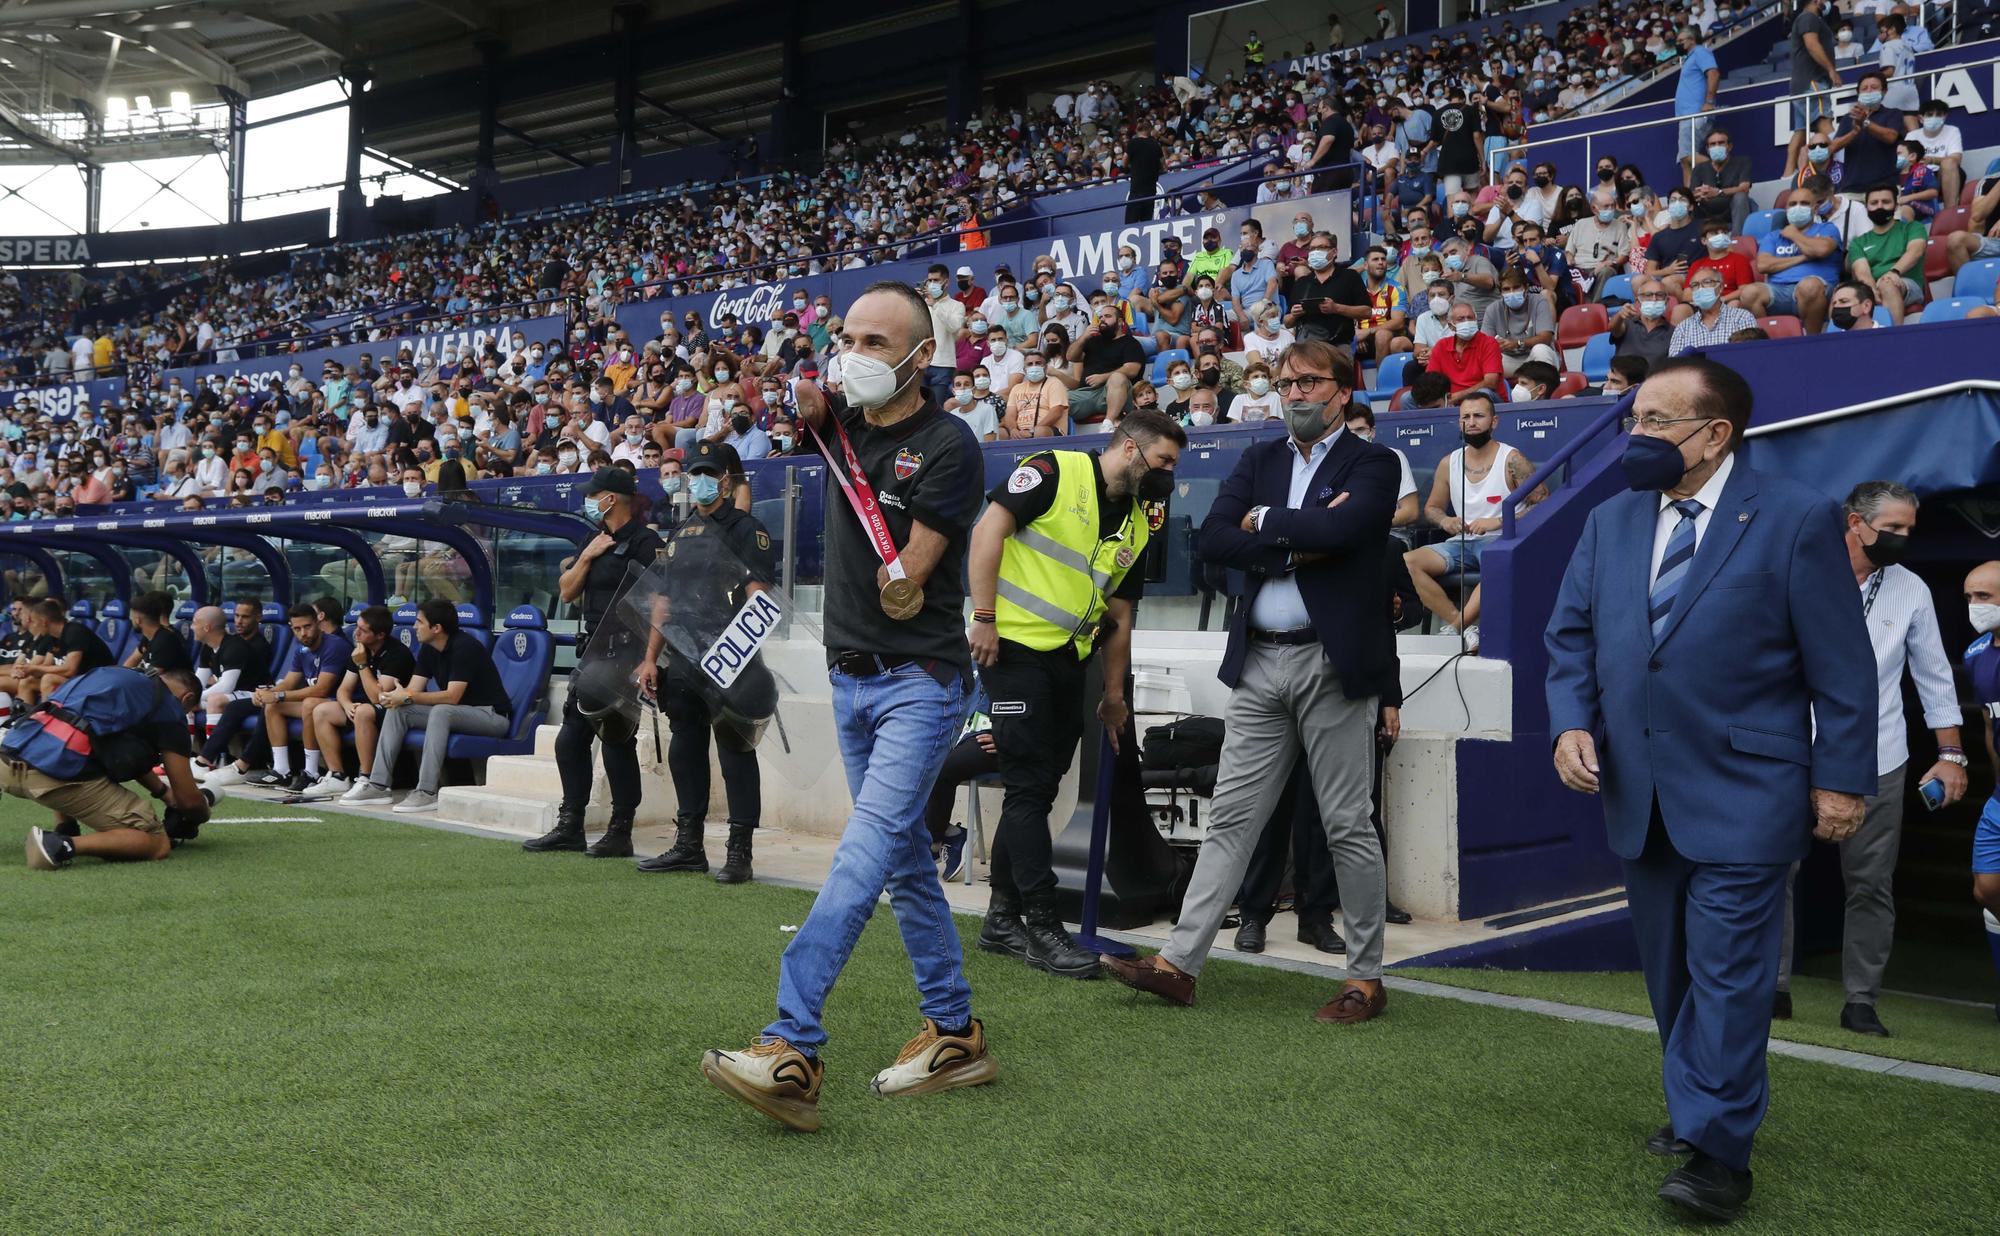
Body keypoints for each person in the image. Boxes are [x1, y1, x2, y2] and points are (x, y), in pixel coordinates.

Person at [1546, 357, 1875, 1222]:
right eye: (1634, 420)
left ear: (1714, 434)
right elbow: (1571, 637)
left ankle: (1720, 1153)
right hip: (1640, 790)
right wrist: (1570, 722)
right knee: (1672, 977)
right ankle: (1698, 1103)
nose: (1636, 437)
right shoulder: (1610, 522)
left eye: (1656, 422)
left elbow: (1843, 669)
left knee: (1729, 975)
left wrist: (1841, 780)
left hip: (1751, 790)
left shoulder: (1797, 517)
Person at [702, 282, 988, 1132]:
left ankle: (792, 1044)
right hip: (852, 679)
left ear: (919, 355)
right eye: (847, 336)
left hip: (920, 681)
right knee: (900, 861)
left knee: (862, 857)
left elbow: (913, 582)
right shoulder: (842, 432)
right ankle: (956, 1031)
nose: (855, 352)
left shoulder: (950, 445)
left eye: (875, 339)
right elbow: (798, 417)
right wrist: (811, 409)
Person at [1101, 341, 1399, 1024]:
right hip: (1260, 661)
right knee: (1232, 817)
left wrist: (1263, 524)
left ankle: (1366, 979)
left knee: (1348, 823)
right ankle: (1179, 964)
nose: (1294, 392)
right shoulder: (1260, 457)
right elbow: (1211, 538)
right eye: (1286, 381)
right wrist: (1303, 538)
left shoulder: (1375, 462)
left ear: (1341, 393)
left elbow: (1354, 529)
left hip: (1332, 662)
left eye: (1310, 382)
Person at [966, 411, 1184, 979]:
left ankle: (1002, 918)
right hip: (1011, 651)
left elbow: (1119, 615)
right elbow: (988, 531)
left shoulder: (1137, 523)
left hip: (1069, 662)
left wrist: (1114, 694)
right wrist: (983, 617)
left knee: (1038, 787)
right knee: (1029, 784)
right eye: (1163, 461)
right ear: (1132, 450)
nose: (1169, 475)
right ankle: (1040, 925)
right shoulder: (1053, 471)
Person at [1773, 481, 1965, 1035]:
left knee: (1871, 884)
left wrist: (1952, 754)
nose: (1904, 539)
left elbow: (1933, 676)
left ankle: (1861, 999)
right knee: (1770, 873)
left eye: (1910, 529)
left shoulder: (1912, 589)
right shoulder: (1799, 571)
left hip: (1879, 755)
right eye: (1895, 528)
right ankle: (1772, 987)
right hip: (1789, 749)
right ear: (1855, 523)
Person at [635, 442, 776, 883]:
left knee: (735, 749)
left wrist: (735, 650)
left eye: (707, 473)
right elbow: (663, 602)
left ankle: (740, 851)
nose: (697, 480)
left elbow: (759, 594)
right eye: (693, 472)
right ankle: (689, 844)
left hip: (731, 657)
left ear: (726, 482)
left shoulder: (746, 529)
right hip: (684, 657)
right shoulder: (681, 533)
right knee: (685, 746)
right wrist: (650, 659)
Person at [522, 466, 666, 854]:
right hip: (592, 653)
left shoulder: (644, 541)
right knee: (570, 741)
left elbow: (659, 605)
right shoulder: (594, 538)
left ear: (613, 498)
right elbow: (567, 592)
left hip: (626, 652)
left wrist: (650, 658)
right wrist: (586, 556)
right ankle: (571, 823)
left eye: (596, 493)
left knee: (617, 742)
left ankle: (621, 829)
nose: (590, 499)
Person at [14, 666, 212, 869]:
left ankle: (65, 826)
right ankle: (58, 845)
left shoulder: (112, 675)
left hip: (11, 752)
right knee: (157, 841)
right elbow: (189, 801)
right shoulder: (169, 711)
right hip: (47, 774)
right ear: (187, 698)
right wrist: (200, 814)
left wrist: (164, 793)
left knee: (72, 739)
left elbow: (124, 754)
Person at [340, 599, 512, 814]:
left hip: (491, 716)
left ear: (436, 628)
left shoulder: (465, 647)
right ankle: (378, 784)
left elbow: (452, 697)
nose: (414, 627)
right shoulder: (429, 649)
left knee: (441, 710)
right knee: (400, 710)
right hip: (458, 714)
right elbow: (412, 691)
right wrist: (395, 698)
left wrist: (407, 695)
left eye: (419, 622)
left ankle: (427, 791)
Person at [1404, 394, 1542, 650]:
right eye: (1465, 417)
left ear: (1494, 421)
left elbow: (1543, 503)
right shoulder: (1449, 462)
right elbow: (1432, 508)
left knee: (1496, 561)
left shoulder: (1512, 459)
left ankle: (1453, 631)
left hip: (1501, 540)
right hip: (1461, 541)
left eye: (1478, 415)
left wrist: (1498, 522)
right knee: (1407, 562)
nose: (1471, 422)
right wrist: (1446, 521)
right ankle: (1465, 627)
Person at [202, 603, 352, 791]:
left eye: (307, 626)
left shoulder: (334, 645)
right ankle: (281, 771)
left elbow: (322, 689)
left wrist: (279, 695)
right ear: (291, 628)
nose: (303, 633)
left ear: (318, 623)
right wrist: (267, 694)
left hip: (341, 705)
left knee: (308, 703)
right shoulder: (301, 648)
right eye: (297, 629)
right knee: (273, 706)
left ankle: (311, 772)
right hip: (319, 704)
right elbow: (289, 681)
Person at [295, 605, 416, 801]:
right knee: (322, 711)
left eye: (364, 630)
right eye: (357, 626)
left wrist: (361, 664)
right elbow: (344, 689)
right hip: (364, 707)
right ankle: (337, 776)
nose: (356, 633)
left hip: (397, 709)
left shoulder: (397, 654)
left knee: (364, 712)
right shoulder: (361, 649)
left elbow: (379, 697)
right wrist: (346, 705)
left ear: (380, 635)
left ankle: (367, 779)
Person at [1961, 562, 2000, 1020]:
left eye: (1985, 598)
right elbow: (1989, 724)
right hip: (1999, 797)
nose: (1975, 607)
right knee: (1987, 889)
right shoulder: (1976, 653)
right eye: (1970, 597)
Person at [1754, 183, 1842, 334]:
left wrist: (1794, 234)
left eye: (1804, 203)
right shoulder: (1774, 236)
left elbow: (1821, 250)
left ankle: (1812, 340)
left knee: (1809, 286)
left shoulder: (1827, 228)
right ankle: (1767, 339)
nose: (1798, 207)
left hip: (1818, 290)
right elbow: (1763, 265)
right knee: (1750, 293)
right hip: (1779, 290)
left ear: (1815, 209)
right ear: (1786, 210)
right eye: (1793, 204)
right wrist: (1804, 257)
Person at [1847, 184, 1927, 324]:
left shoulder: (1912, 227)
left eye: (1886, 202)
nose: (1879, 206)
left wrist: (1894, 272)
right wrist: (1872, 290)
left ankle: (1893, 340)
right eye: (1874, 203)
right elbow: (1862, 272)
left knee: (1887, 284)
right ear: (1867, 208)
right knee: (1841, 295)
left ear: (1896, 206)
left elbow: (1915, 251)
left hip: (1906, 284)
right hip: (1873, 286)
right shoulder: (1858, 242)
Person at [1282, 230, 1369, 351]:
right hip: (1307, 346)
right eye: (1312, 249)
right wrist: (1294, 315)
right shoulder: (1302, 282)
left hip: (1338, 346)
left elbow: (1367, 312)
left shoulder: (1349, 277)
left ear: (1334, 252)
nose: (1315, 252)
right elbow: (1287, 322)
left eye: (1321, 247)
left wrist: (1336, 308)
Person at [1063, 300, 1144, 428]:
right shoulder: (1093, 340)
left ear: (1120, 322)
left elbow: (1132, 369)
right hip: (1086, 393)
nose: (1102, 320)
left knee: (1117, 378)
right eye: (1100, 317)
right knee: (1056, 399)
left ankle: (1108, 424)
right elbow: (1070, 356)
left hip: (1116, 392)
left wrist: (1103, 377)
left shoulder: (1130, 343)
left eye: (1108, 316)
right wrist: (1084, 337)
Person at [1786, 0, 1841, 181]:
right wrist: (1831, 69)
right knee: (1824, 122)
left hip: (1802, 85)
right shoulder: (1809, 18)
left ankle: (1787, 176)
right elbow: (1812, 44)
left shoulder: (1806, 18)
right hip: (1813, 82)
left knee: (1800, 131)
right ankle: (1841, 162)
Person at [1828, 69, 1902, 193]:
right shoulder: (1848, 118)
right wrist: (1854, 132)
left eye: (1874, 88)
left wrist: (1865, 123)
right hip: (1852, 188)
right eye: (1864, 88)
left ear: (1884, 92)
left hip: (1885, 187)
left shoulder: (1893, 113)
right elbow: (1833, 147)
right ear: (1858, 93)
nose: (1869, 91)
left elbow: (1891, 137)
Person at [1668, 266, 1758, 355]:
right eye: (1695, 285)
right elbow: (1675, 365)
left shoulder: (1742, 318)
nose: (1700, 289)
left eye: (1707, 282)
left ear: (1720, 287)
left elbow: (1751, 355)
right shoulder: (1683, 328)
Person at [1426, 302, 1504, 404]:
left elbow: (1491, 383)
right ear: (1451, 325)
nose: (1467, 322)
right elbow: (1430, 382)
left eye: (1470, 318)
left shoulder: (1489, 343)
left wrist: (1458, 396)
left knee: (1483, 393)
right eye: (1461, 319)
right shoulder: (1441, 345)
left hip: (1486, 401)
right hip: (1450, 400)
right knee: (1407, 398)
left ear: (1475, 321)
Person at [1674, 23, 1720, 182]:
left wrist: (1709, 101)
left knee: (1687, 156)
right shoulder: (1689, 58)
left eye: (1681, 40)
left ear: (1692, 39)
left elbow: (1713, 74)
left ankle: (1725, 170)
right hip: (1686, 116)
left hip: (1696, 113)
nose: (1678, 44)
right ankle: (1688, 198)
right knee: (1684, 160)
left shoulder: (1700, 51)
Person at [1689, 128, 1752, 237]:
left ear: (1729, 146)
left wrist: (1718, 192)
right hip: (1707, 213)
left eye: (1721, 143)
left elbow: (1744, 188)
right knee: (1686, 202)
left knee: (1740, 197)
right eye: (1712, 144)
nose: (1716, 147)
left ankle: (1738, 240)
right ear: (1707, 149)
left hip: (1732, 211)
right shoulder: (1699, 169)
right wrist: (1701, 194)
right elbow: (1693, 194)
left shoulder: (1742, 162)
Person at [1612, 276, 1677, 368]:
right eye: (1648, 295)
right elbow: (1614, 329)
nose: (1654, 299)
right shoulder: (1627, 324)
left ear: (1667, 301)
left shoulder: (1674, 332)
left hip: (1653, 380)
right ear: (1638, 301)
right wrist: (1619, 315)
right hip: (1623, 379)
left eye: (1659, 295)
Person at [124, 590, 191, 675]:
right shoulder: (149, 636)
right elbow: (133, 659)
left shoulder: (166, 639)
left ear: (138, 620)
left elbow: (153, 675)